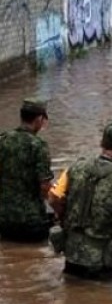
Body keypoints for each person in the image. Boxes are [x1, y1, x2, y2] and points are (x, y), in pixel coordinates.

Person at [48, 122, 112, 281]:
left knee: (70, 298)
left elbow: (53, 197)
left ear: (102, 143)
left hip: (72, 255)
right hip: (100, 262)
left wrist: (63, 215)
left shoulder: (76, 167)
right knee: (102, 301)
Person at [0, 99, 54, 242]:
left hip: (4, 220)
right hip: (31, 222)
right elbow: (45, 186)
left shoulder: (3, 140)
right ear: (39, 119)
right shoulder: (38, 146)